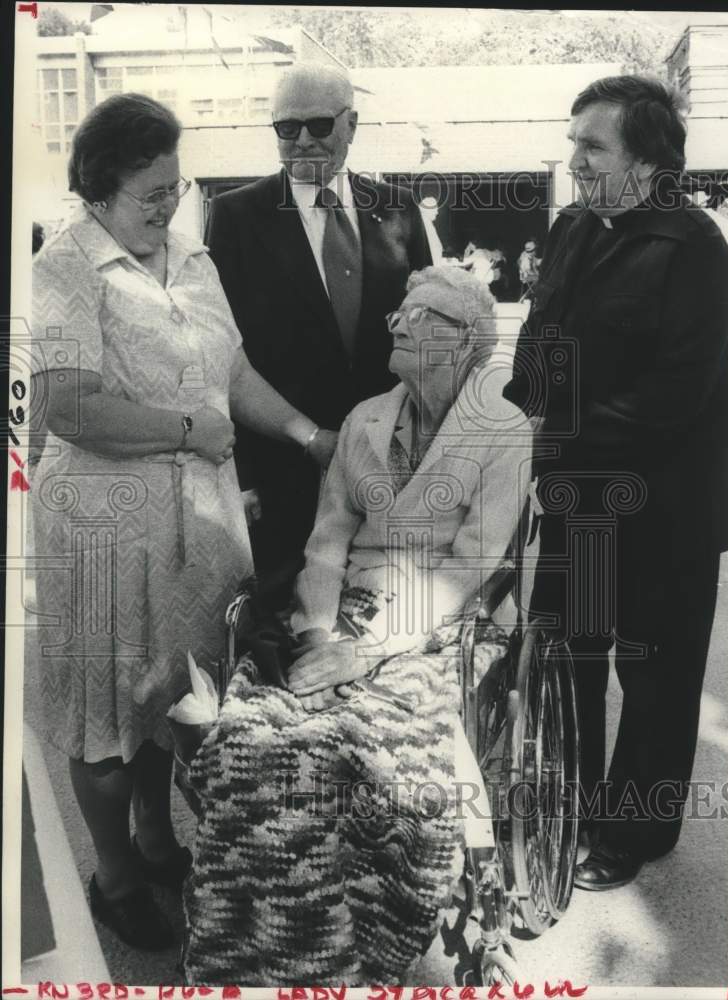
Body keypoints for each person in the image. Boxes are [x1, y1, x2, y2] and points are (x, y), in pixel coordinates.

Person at [30, 93, 337, 951]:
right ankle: (115, 875)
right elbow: (64, 405)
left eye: (176, 185)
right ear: (98, 191)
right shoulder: (65, 267)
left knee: (177, 699)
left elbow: (229, 369)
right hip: (104, 527)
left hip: (196, 518)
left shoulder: (192, 252)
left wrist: (310, 436)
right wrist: (184, 431)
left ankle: (157, 838)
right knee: (105, 716)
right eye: (151, 192)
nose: (169, 204)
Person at [182, 267, 532, 985]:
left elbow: (471, 566)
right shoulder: (368, 418)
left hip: (436, 620)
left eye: (417, 314)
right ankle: (255, 944)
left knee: (346, 752)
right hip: (341, 609)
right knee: (255, 742)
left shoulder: (503, 429)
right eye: (399, 311)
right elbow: (328, 539)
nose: (394, 323)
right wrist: (316, 635)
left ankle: (337, 948)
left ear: (463, 339)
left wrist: (363, 652)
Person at [504, 76, 728, 889]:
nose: (573, 161)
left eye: (591, 146)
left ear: (647, 160)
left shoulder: (694, 247)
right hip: (581, 503)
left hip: (665, 512)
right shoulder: (574, 227)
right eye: (573, 142)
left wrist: (551, 436)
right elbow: (540, 337)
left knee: (655, 677)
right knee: (566, 659)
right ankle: (564, 811)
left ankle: (631, 836)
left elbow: (672, 397)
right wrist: (517, 413)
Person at [205, 62, 431, 608]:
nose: (303, 140)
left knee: (381, 622)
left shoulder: (397, 209)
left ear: (351, 124)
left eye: (319, 125)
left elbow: (427, 331)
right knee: (285, 632)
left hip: (389, 466)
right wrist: (248, 477)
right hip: (286, 470)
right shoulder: (235, 216)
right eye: (287, 128)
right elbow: (224, 353)